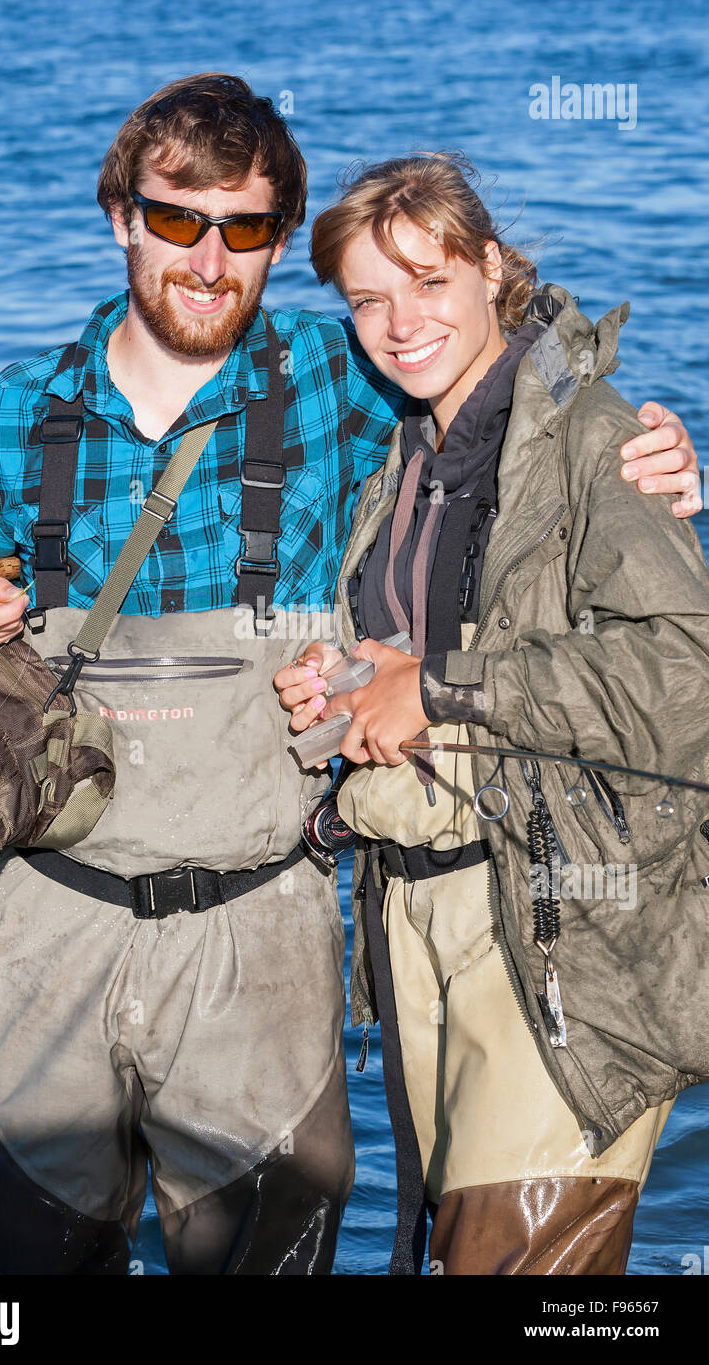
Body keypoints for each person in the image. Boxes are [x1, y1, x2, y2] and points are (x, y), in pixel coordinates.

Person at [0, 77, 696, 1277]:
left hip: (260, 933)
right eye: (177, 220)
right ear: (121, 214)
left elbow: (502, 385)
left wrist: (638, 445)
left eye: (248, 228)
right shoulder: (10, 418)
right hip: (46, 925)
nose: (210, 259)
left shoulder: (349, 382)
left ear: (276, 239)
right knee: (29, 1263)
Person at [275, 151, 709, 1275]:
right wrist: (351, 679)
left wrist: (434, 686)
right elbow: (426, 652)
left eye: (427, 281)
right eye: (368, 297)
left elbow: (683, 675)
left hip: (563, 923)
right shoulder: (403, 452)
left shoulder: (597, 439)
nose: (397, 321)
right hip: (413, 923)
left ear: (490, 268)